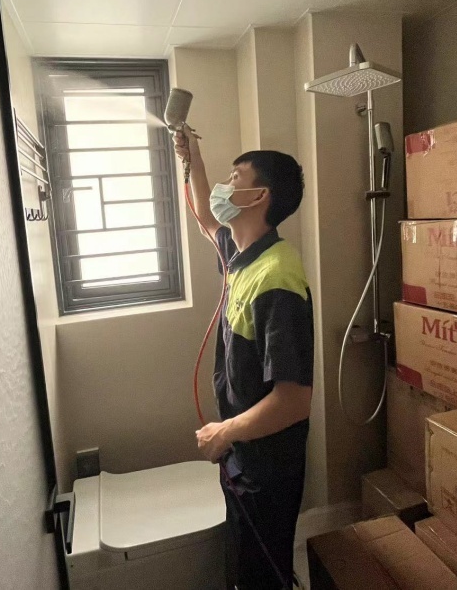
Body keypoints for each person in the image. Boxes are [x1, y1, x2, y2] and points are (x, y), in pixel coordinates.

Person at [174, 128, 314, 590]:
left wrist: (224, 432)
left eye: (235, 178)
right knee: (243, 561)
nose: (224, 187)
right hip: (243, 450)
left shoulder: (278, 277)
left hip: (268, 463)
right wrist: (193, 155)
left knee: (262, 572)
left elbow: (294, 401)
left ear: (258, 196)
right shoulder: (242, 252)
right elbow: (204, 215)